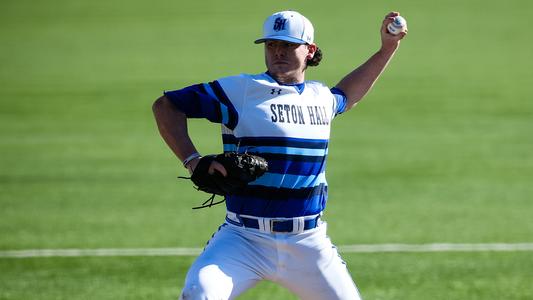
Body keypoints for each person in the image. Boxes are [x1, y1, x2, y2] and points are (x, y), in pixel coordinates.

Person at [153, 10, 406, 300]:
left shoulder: (320, 98)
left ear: (310, 50)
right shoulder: (241, 90)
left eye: (287, 45)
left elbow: (348, 94)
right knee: (199, 294)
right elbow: (166, 105)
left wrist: (387, 49)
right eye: (272, 45)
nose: (278, 52)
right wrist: (192, 160)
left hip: (307, 242)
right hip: (243, 239)